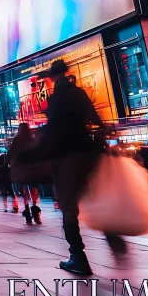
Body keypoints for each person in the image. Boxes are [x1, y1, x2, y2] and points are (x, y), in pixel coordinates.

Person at [35, 60, 120, 275]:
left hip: (66, 155)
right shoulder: (79, 93)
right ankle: (111, 233)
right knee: (93, 196)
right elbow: (94, 117)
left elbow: (54, 127)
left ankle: (78, 256)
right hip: (87, 150)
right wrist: (102, 130)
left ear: (53, 77)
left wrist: (41, 138)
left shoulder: (55, 99)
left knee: (69, 207)